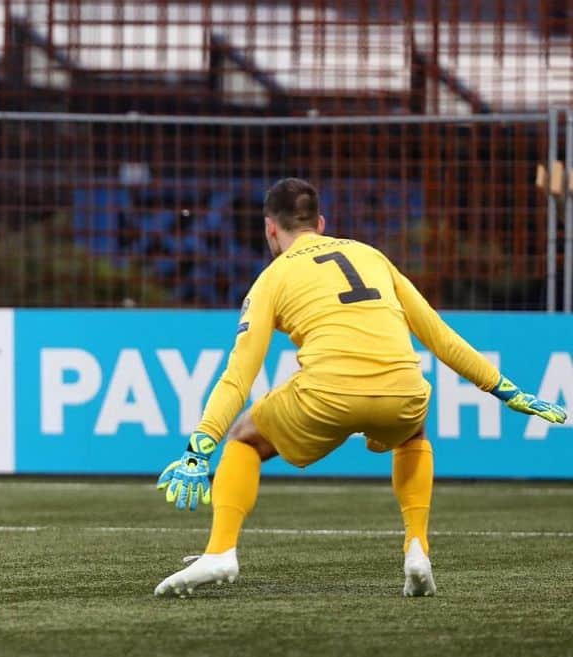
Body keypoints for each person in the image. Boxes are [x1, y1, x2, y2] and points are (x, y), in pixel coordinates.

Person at [154, 178, 567, 597]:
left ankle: (220, 551)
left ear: (270, 229)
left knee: (244, 438)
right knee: (412, 432)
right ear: (320, 222)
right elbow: (440, 337)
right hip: (402, 392)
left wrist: (198, 448)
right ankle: (417, 549)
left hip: (327, 396)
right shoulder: (371, 256)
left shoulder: (271, 279)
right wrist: (507, 391)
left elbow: (238, 374)